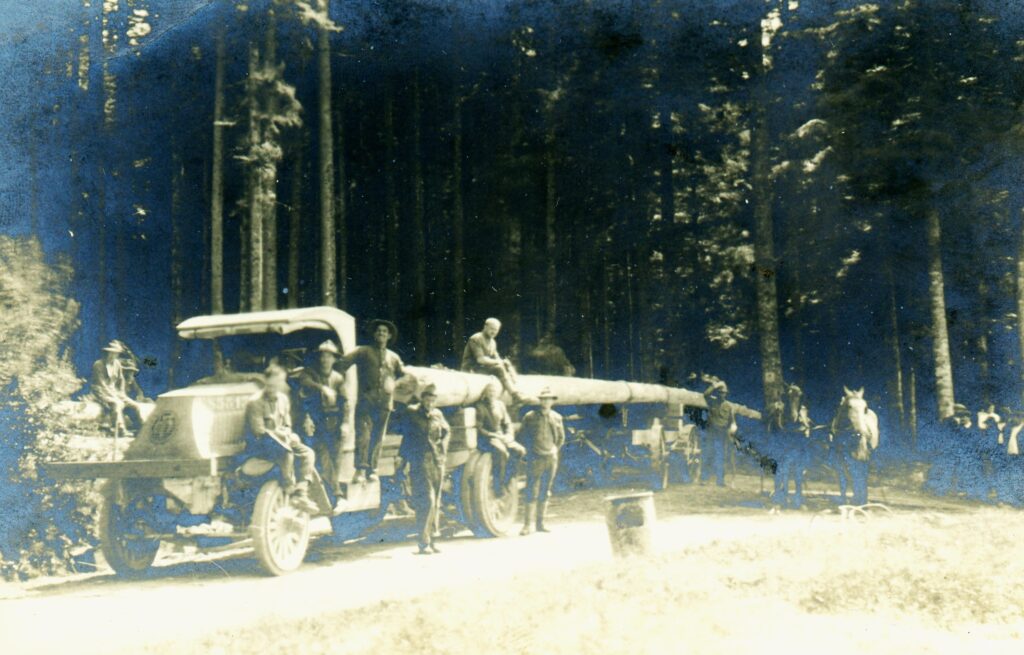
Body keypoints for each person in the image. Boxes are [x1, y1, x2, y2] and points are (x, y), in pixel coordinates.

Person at [334, 319, 405, 483]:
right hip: (366, 402)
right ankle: (360, 470)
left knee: (378, 437)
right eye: (378, 331)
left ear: (389, 336)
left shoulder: (393, 358)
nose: (381, 334)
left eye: (384, 332)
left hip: (384, 405)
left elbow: (404, 376)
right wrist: (340, 383)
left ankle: (373, 469)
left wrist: (394, 384)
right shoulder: (363, 352)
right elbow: (341, 364)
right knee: (363, 435)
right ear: (374, 334)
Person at [244, 365, 318, 514]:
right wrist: (283, 435)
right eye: (270, 384)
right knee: (287, 451)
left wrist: (289, 435)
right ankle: (289, 487)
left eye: (277, 384)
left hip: (282, 441)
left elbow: (287, 424)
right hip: (261, 446)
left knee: (308, 453)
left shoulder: (283, 399)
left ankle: (301, 494)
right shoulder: (255, 402)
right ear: (265, 382)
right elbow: (259, 431)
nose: (273, 388)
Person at [398, 384, 450, 554]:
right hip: (419, 462)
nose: (429, 403)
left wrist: (443, 450)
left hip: (436, 461)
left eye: (432, 400)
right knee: (426, 500)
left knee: (436, 500)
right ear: (422, 399)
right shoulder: (412, 413)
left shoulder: (437, 414)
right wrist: (402, 460)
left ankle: (434, 539)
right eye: (427, 399)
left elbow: (446, 432)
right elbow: (406, 437)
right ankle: (423, 542)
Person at [298, 341, 348, 485]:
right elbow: (304, 381)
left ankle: (335, 491)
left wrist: (344, 424)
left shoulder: (338, 378)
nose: (324, 360)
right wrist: (322, 388)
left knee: (336, 457)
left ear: (334, 359)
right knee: (323, 455)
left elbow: (344, 403)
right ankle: (335, 493)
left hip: (335, 422)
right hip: (317, 421)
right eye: (322, 356)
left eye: (328, 357)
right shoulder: (311, 373)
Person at [519, 387, 565, 535]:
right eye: (543, 399)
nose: (546, 402)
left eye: (548, 399)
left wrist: (553, 450)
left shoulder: (557, 417)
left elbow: (560, 438)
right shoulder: (530, 417)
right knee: (531, 490)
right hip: (535, 458)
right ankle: (527, 525)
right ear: (540, 401)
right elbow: (523, 436)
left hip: (550, 458)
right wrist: (530, 452)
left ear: (552, 401)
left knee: (545, 490)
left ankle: (541, 523)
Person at [475, 380, 527, 495]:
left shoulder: (500, 405)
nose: (492, 394)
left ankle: (508, 479)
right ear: (485, 393)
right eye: (489, 391)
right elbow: (479, 428)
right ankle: (498, 486)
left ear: (497, 393)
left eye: (494, 391)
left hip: (501, 436)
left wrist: (509, 435)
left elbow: (507, 423)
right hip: (487, 438)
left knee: (520, 450)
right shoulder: (480, 407)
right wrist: (492, 435)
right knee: (501, 452)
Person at [461, 318, 522, 401]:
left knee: (505, 365)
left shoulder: (492, 342)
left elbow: (497, 358)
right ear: (485, 327)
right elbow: (480, 359)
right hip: (472, 368)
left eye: (496, 330)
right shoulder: (476, 338)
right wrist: (499, 362)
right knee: (499, 368)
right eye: (492, 329)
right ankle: (515, 395)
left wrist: (506, 364)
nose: (494, 332)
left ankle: (516, 390)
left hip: (483, 368)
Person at [91, 340, 143, 434]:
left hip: (114, 391)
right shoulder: (98, 364)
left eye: (116, 354)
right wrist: (114, 396)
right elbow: (101, 383)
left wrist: (122, 393)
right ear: (107, 352)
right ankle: (120, 429)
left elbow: (121, 379)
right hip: (100, 391)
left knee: (135, 405)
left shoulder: (117, 364)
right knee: (117, 403)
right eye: (111, 353)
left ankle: (140, 428)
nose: (113, 356)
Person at [700, 380, 736, 488]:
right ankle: (704, 479)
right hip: (711, 432)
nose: (722, 395)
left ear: (726, 394)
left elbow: (732, 421)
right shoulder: (712, 402)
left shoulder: (729, 406)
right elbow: (705, 394)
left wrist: (732, 431)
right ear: (717, 393)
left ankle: (720, 480)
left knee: (720, 457)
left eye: (723, 393)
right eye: (720, 393)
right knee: (708, 455)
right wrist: (714, 385)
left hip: (722, 434)